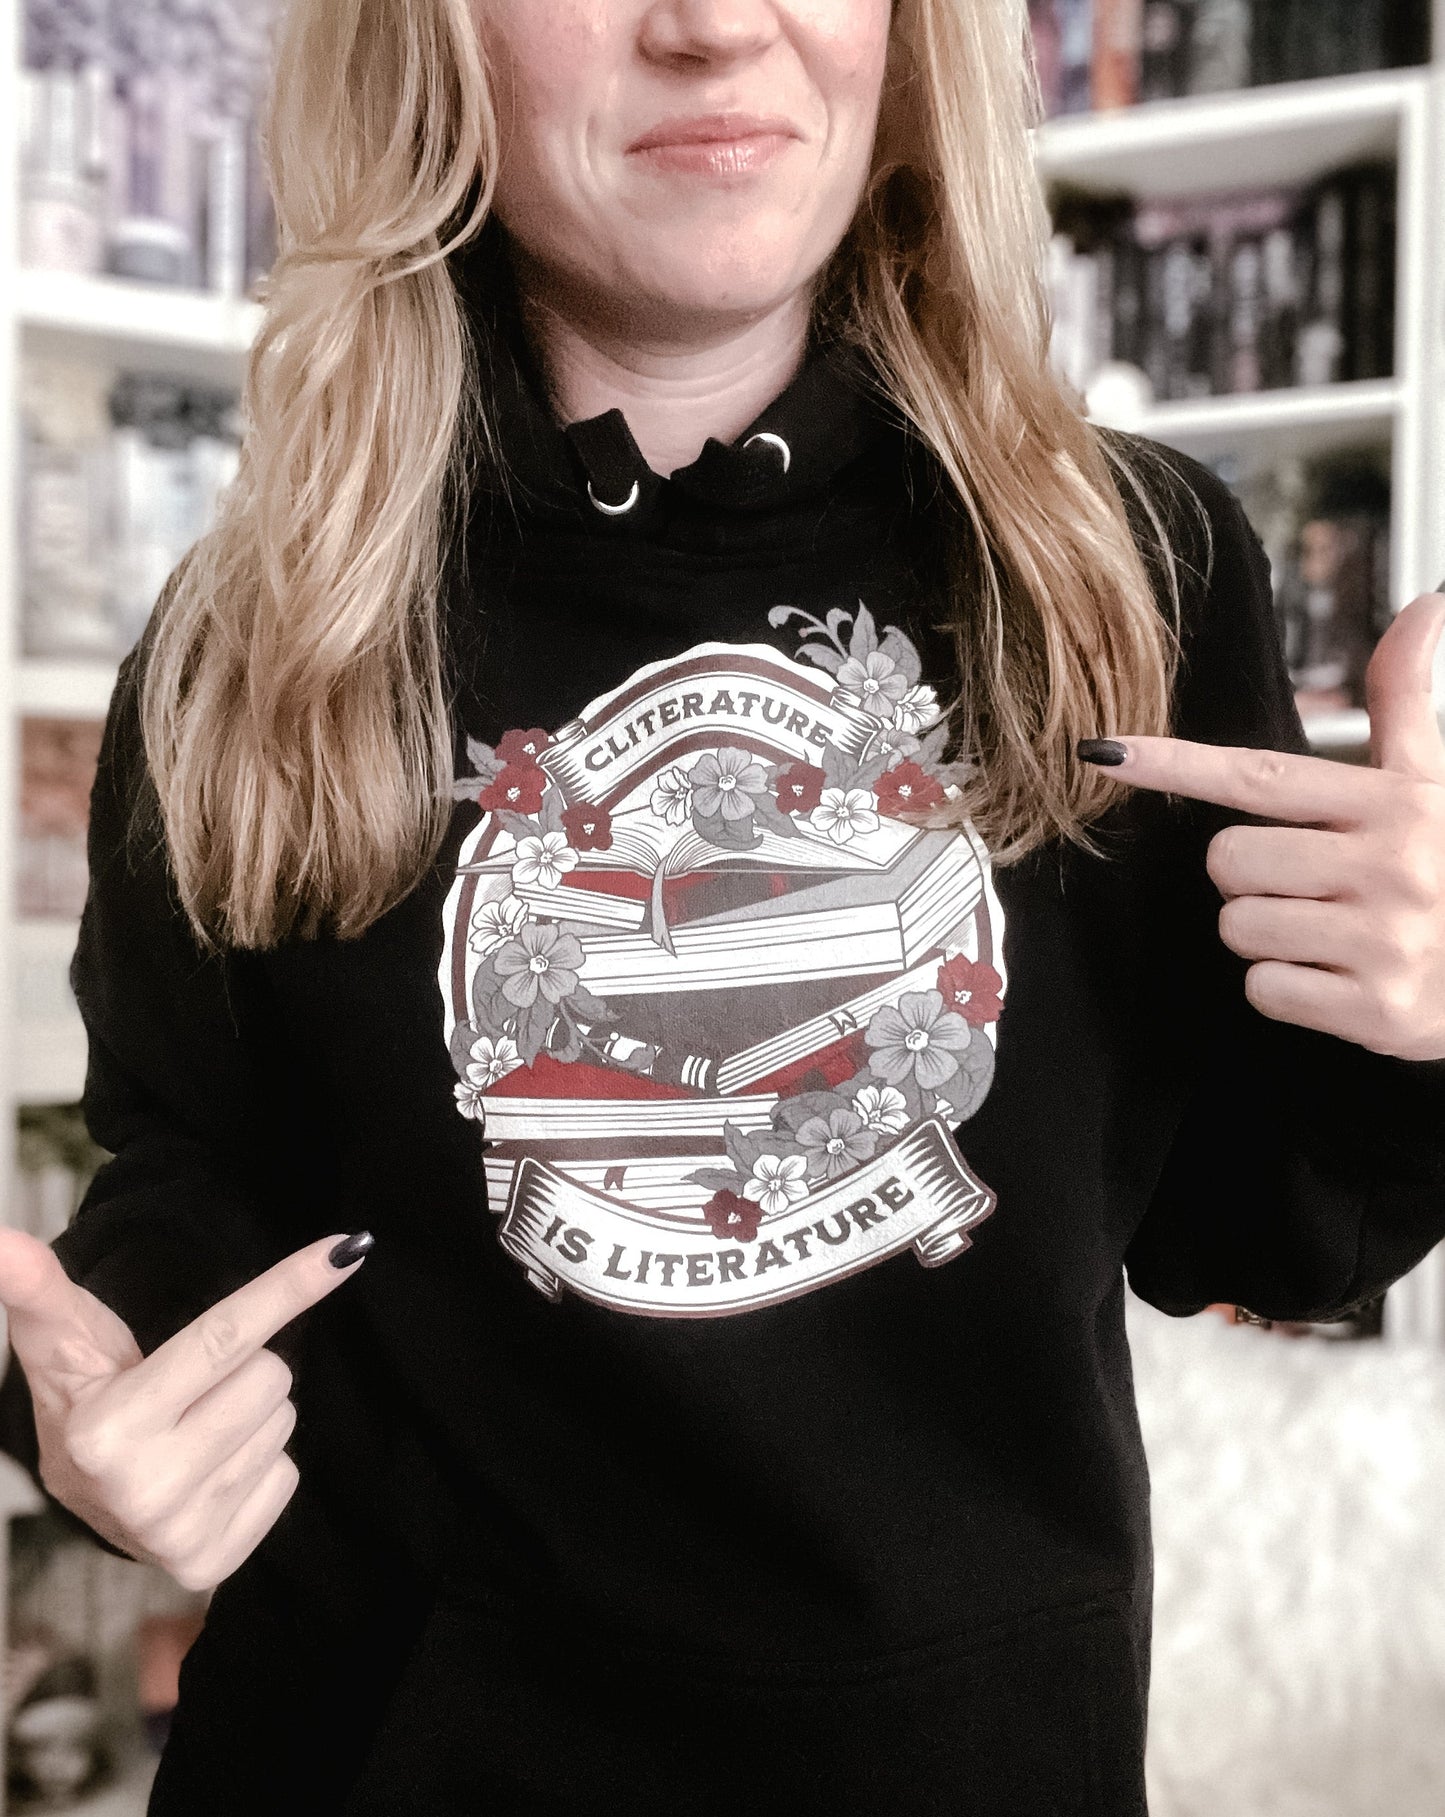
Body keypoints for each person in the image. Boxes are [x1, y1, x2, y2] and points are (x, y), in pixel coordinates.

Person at [1, 1, 1444, 1811]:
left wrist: (1413, 1023)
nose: (710, 25)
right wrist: (99, 1407)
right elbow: (187, 1179)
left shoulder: (1131, 571)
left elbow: (1266, 1235)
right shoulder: (248, 637)